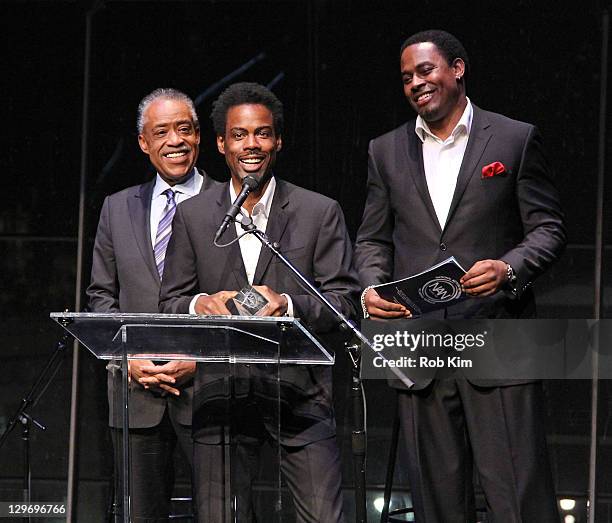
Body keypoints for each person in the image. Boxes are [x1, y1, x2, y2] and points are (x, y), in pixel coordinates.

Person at [354, 30, 566, 521]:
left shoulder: (513, 138)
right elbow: (371, 239)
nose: (416, 83)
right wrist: (370, 289)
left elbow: (549, 229)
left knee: (517, 496)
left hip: (499, 337)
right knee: (436, 502)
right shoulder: (385, 150)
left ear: (457, 69)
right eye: (407, 77)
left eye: (425, 71)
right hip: (420, 345)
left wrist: (508, 268)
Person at [159, 82, 359, 523]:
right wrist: (199, 305)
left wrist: (288, 304)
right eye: (239, 135)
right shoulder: (193, 216)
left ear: (278, 141)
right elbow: (170, 301)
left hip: (300, 397)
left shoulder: (318, 210)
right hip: (220, 399)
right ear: (220, 143)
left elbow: (345, 303)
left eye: (262, 133)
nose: (251, 144)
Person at [87, 88, 218, 521]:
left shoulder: (230, 204)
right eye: (161, 131)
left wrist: (200, 361)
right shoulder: (116, 208)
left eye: (184, 129)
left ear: (199, 136)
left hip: (212, 394)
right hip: (134, 394)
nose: (175, 140)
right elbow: (101, 298)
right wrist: (128, 359)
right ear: (143, 142)